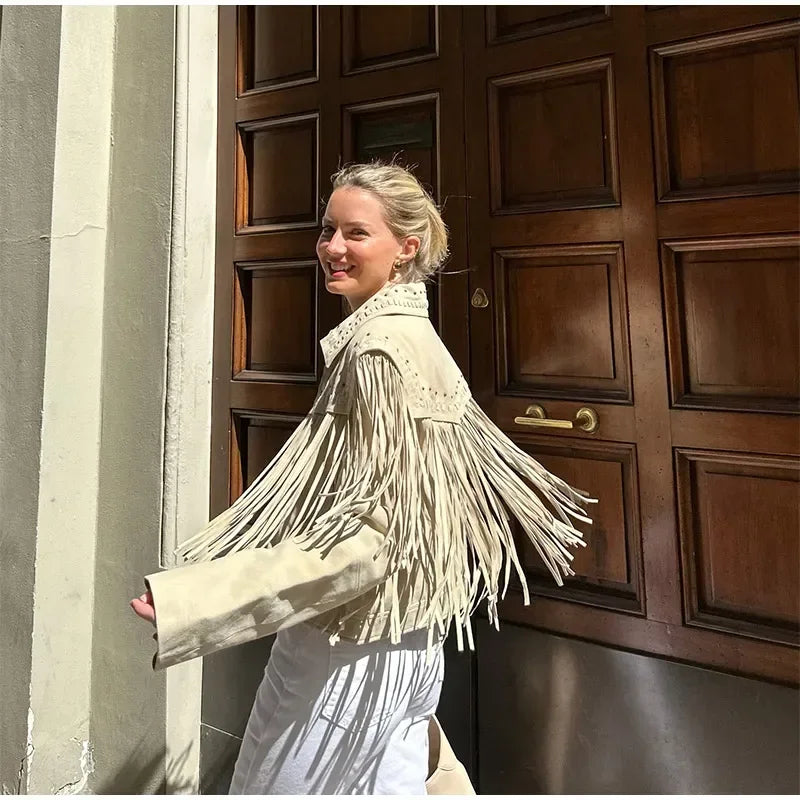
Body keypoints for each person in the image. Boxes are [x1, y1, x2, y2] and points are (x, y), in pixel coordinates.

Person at [131, 161, 594, 794]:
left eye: (356, 233)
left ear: (407, 248)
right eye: (328, 231)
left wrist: (199, 601)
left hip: (347, 647)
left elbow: (375, 535)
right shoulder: (408, 337)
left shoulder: (380, 353)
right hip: (399, 635)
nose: (332, 248)